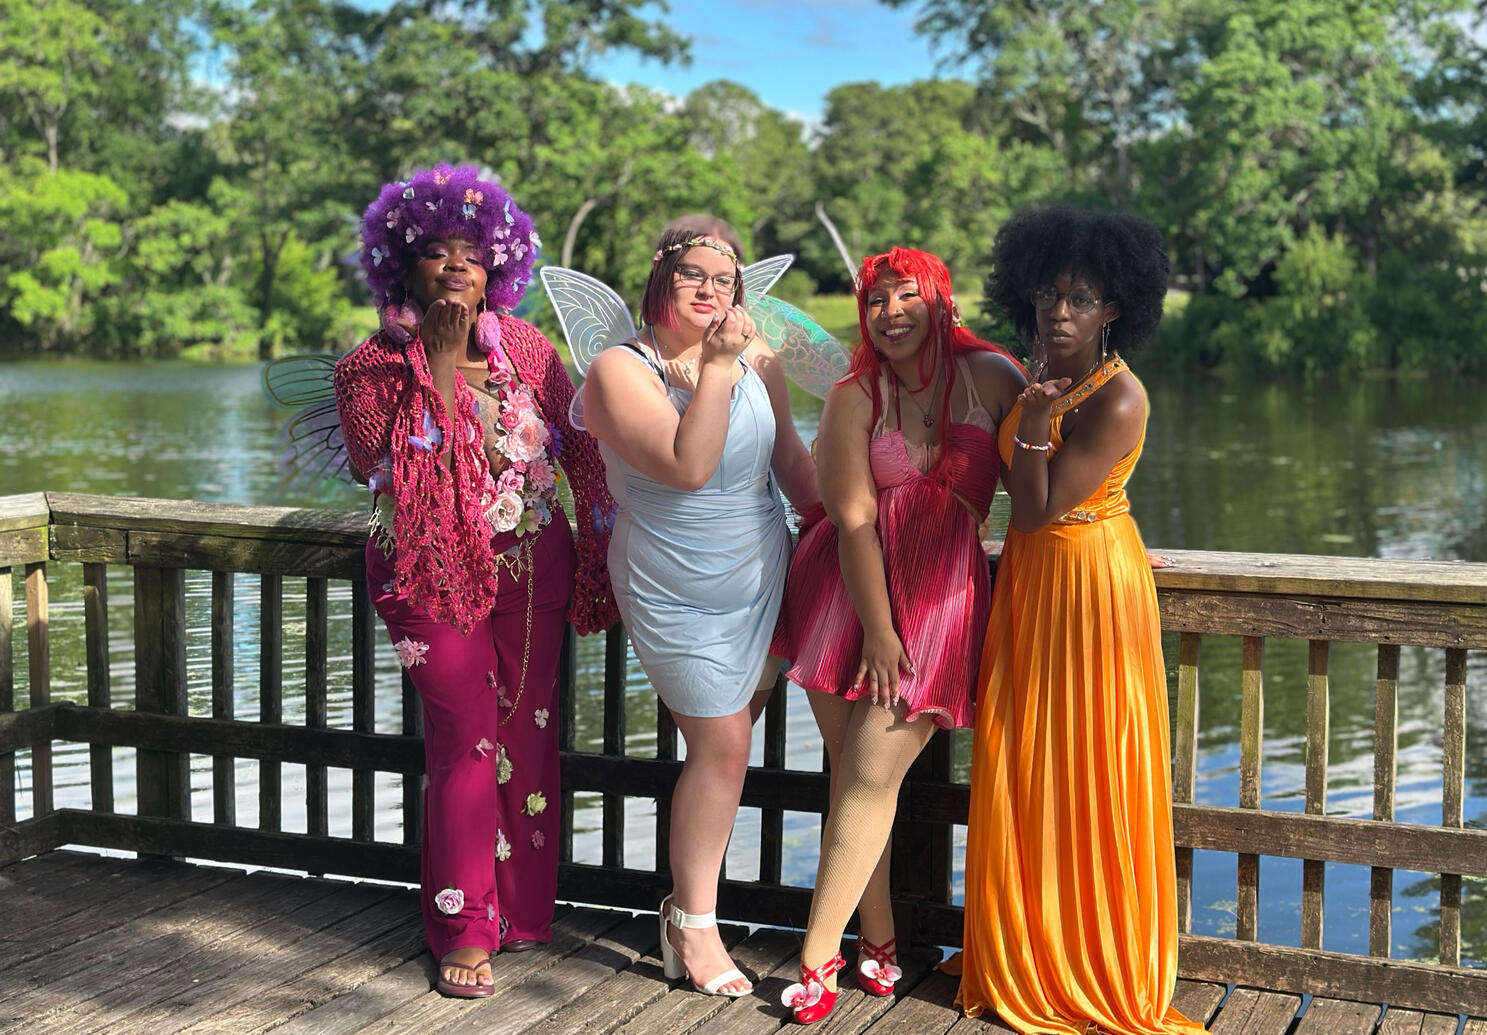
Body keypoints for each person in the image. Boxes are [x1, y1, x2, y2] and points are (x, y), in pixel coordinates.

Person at [333, 164, 617, 998]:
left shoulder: (528, 347)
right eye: (435, 252)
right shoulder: (368, 368)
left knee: (526, 735)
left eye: (472, 252)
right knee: (466, 738)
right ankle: (462, 924)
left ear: (498, 265)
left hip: (534, 564)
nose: (456, 265)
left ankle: (520, 913)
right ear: (402, 267)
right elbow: (384, 464)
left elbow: (583, 445)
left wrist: (605, 538)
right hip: (425, 568)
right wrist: (443, 357)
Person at [950, 205, 1204, 1034]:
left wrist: (1027, 427)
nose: (1058, 312)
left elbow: (1030, 514)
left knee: (1085, 766)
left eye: (1081, 298)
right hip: (1035, 585)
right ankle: (1024, 944)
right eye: (1049, 293)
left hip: (1085, 592)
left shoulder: (1119, 397)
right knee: (1027, 760)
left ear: (1115, 307)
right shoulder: (1038, 368)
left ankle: (1086, 960)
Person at [770, 248, 1025, 1024]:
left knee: (867, 774)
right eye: (874, 301)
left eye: (904, 295)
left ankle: (815, 959)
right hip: (847, 592)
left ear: (938, 297)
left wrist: (1104, 527)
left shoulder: (992, 378)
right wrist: (878, 632)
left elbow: (1038, 483)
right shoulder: (855, 394)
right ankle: (874, 940)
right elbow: (850, 519)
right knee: (858, 775)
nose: (889, 313)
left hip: (940, 596)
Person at [581, 225, 818, 997]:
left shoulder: (760, 360)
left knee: (725, 740)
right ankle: (694, 922)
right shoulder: (619, 369)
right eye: (693, 274)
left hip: (757, 570)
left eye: (726, 278)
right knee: (721, 743)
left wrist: (851, 525)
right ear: (660, 281)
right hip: (670, 579)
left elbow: (788, 458)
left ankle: (689, 904)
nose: (711, 289)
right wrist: (714, 368)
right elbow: (689, 466)